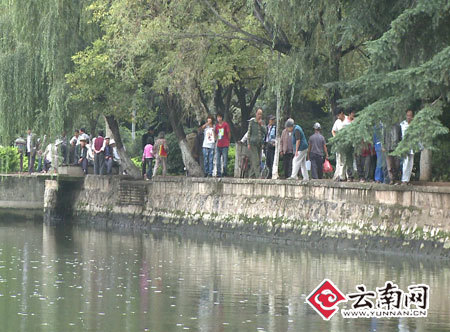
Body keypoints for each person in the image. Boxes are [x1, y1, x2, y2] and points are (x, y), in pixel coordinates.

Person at [247, 108, 266, 178]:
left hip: (259, 144)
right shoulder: (252, 122)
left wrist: (261, 125)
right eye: (258, 114)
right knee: (256, 160)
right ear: (256, 114)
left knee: (256, 161)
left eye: (261, 114)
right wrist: (248, 143)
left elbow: (265, 132)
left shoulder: (262, 122)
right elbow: (249, 133)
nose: (259, 115)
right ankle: (258, 176)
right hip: (252, 143)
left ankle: (251, 176)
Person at [331, 110, 347, 181]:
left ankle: (346, 176)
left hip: (346, 142)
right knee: (339, 160)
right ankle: (339, 175)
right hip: (339, 143)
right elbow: (333, 131)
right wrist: (336, 138)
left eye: (338, 115)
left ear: (341, 113)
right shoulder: (337, 122)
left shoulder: (347, 120)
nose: (338, 117)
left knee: (346, 160)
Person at [400, 110, 414, 185]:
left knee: (410, 164)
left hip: (412, 147)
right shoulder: (402, 124)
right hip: (404, 147)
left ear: (412, 116)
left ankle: (407, 179)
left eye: (410, 115)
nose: (409, 117)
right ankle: (403, 180)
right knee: (405, 163)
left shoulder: (414, 125)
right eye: (407, 115)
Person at [214, 113, 231, 177]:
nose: (219, 119)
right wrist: (215, 139)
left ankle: (224, 172)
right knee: (218, 161)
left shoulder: (225, 125)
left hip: (225, 145)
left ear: (222, 118)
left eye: (220, 117)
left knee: (225, 161)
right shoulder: (217, 126)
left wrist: (228, 141)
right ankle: (218, 173)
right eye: (218, 117)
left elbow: (228, 133)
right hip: (219, 145)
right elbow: (215, 133)